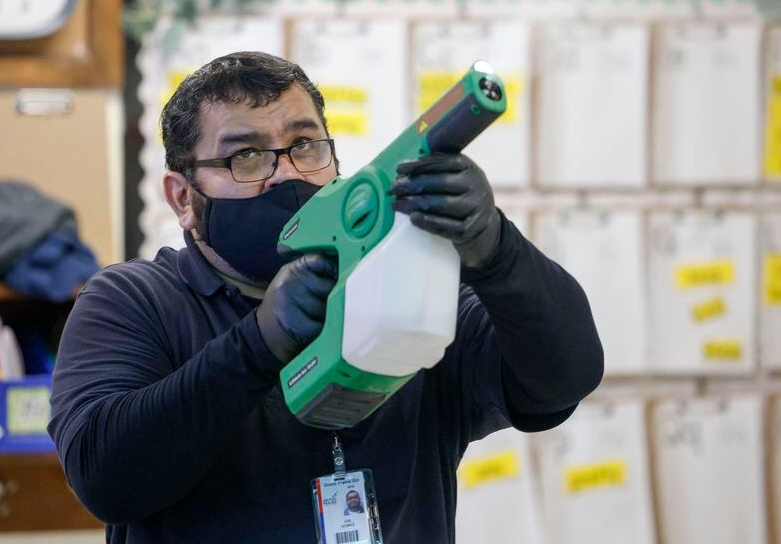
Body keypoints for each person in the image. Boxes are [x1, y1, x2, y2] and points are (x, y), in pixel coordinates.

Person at [48, 51, 603, 544]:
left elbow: (561, 380)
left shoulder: (402, 282)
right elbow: (106, 476)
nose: (286, 172)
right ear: (183, 199)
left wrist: (498, 249)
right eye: (246, 157)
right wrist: (255, 347)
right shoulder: (132, 300)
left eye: (305, 145)